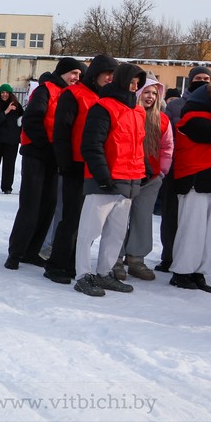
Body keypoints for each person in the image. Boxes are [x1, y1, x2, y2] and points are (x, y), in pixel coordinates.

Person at [72, 63, 148, 297]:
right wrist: (102, 176)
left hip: (129, 182)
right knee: (89, 232)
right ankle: (83, 275)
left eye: (138, 82)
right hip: (103, 181)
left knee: (115, 235)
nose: (135, 86)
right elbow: (91, 145)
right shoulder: (103, 107)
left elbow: (137, 148)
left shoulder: (138, 112)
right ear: (121, 80)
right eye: (132, 81)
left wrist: (140, 175)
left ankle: (104, 273)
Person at [5, 57, 83, 273]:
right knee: (31, 205)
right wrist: (48, 147)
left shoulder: (70, 94)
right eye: (73, 73)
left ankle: (32, 250)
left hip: (54, 158)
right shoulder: (46, 90)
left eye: (79, 75)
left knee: (48, 206)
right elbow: (32, 121)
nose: (76, 78)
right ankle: (16, 252)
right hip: (37, 155)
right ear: (63, 72)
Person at [44, 54, 118, 284]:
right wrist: (64, 163)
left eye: (113, 75)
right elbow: (62, 132)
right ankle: (57, 264)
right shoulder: (73, 95)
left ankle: (76, 262)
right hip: (75, 165)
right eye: (107, 73)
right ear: (95, 74)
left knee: (89, 221)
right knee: (72, 216)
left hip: (95, 166)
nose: (110, 78)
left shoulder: (106, 98)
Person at [168, 80, 211, 292]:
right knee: (192, 230)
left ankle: (198, 271)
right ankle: (182, 271)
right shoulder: (192, 118)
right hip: (195, 180)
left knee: (210, 232)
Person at [156, 66, 211, 272]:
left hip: (202, 169)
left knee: (196, 220)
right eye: (198, 78)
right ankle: (169, 256)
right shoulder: (177, 105)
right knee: (171, 214)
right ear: (190, 81)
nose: (203, 81)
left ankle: (193, 261)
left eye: (207, 78)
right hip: (176, 165)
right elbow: (168, 131)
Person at [118, 74, 173, 281]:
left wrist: (161, 171)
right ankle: (115, 258)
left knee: (142, 219)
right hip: (127, 175)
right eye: (146, 92)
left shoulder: (163, 120)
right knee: (120, 218)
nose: (150, 96)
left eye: (154, 93)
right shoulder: (128, 114)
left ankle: (136, 259)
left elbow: (167, 147)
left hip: (151, 179)